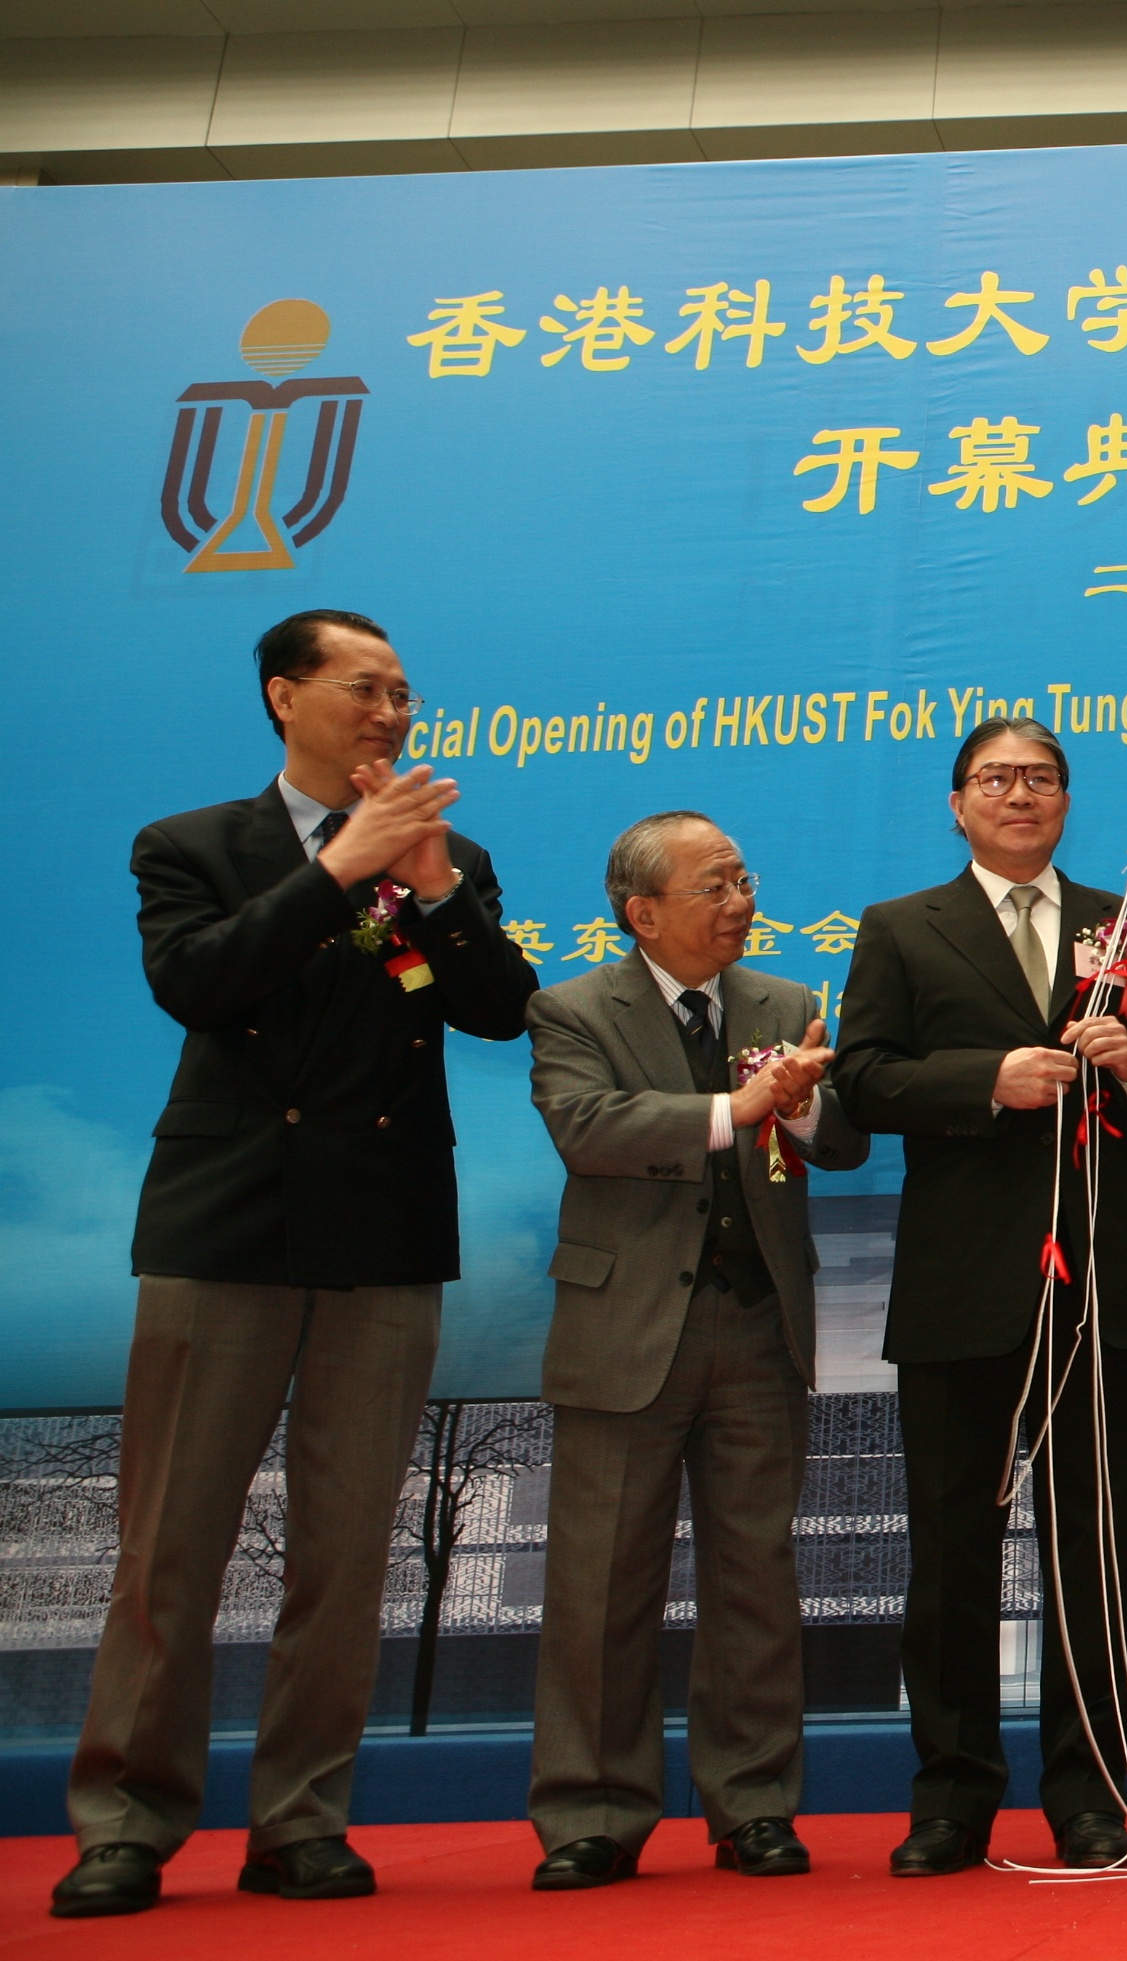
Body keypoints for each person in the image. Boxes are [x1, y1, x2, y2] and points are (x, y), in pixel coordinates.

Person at [54, 610, 540, 1919]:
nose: (390, 711)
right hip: (227, 1229)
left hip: (379, 1237)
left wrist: (429, 886)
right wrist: (340, 873)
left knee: (342, 1548)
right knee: (173, 1545)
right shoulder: (193, 846)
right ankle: (128, 1822)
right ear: (286, 696)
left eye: (402, 692)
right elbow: (201, 984)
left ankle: (301, 1820)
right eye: (363, 688)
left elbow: (500, 1007)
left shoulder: (451, 856)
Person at [830, 717, 1127, 1874]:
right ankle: (950, 1796)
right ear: (957, 802)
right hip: (959, 1276)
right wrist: (986, 1079)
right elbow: (867, 1075)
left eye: (1039, 777)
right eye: (996, 778)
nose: (1018, 794)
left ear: (1067, 799)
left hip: (1098, 1268)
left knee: (1094, 1546)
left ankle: (1090, 1793)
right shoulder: (899, 927)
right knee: (951, 1550)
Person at [519, 813, 865, 1890]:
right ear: (642, 911)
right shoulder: (570, 1007)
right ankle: (591, 1811)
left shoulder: (783, 1002)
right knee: (598, 1583)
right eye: (713, 884)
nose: (739, 899)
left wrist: (800, 1112)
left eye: (743, 878)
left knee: (755, 1577)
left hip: (757, 1324)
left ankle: (755, 1804)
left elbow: (842, 1138)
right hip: (625, 1329)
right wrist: (734, 1107)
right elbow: (588, 1126)